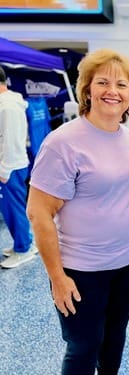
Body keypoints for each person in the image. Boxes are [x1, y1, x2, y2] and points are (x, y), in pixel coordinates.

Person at [26, 49, 129, 375]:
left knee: (114, 338)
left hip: (128, 262)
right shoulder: (63, 143)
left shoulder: (127, 137)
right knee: (84, 345)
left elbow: (127, 186)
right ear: (87, 89)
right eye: (102, 82)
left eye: (121, 84)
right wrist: (57, 278)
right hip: (83, 269)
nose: (112, 90)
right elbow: (38, 213)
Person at [0, 65, 37, 269]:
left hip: (10, 166)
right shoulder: (8, 103)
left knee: (14, 209)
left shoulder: (8, 106)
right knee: (12, 209)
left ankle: (24, 249)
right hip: (9, 166)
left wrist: (4, 171)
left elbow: (12, 140)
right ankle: (23, 243)